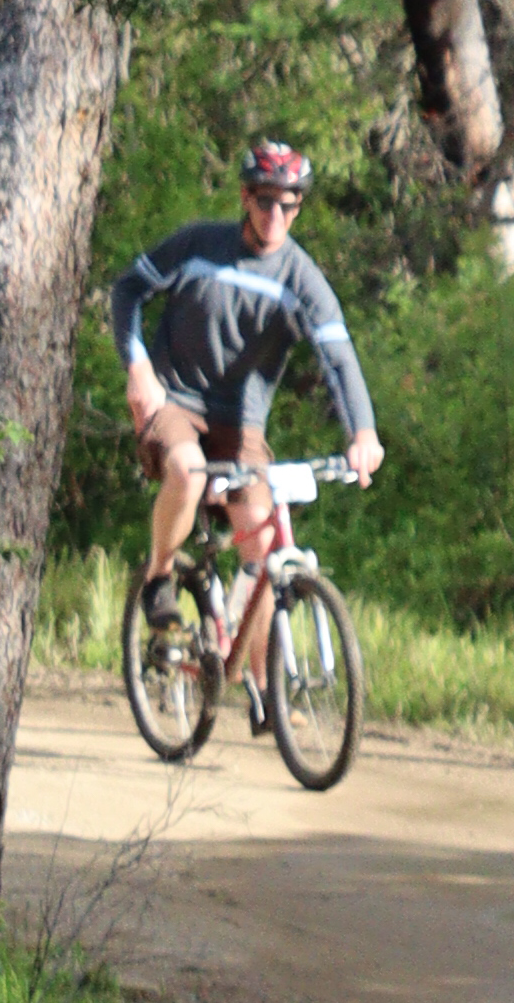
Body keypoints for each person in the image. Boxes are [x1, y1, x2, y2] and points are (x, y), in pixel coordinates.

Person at [108, 140, 384, 654]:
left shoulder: (303, 280)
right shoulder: (198, 244)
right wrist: (137, 366)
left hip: (240, 423)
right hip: (174, 399)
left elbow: (339, 359)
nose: (276, 214)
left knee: (263, 550)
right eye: (264, 201)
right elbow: (127, 291)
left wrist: (363, 432)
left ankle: (264, 691)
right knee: (188, 470)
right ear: (244, 197)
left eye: (289, 203)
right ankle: (159, 577)